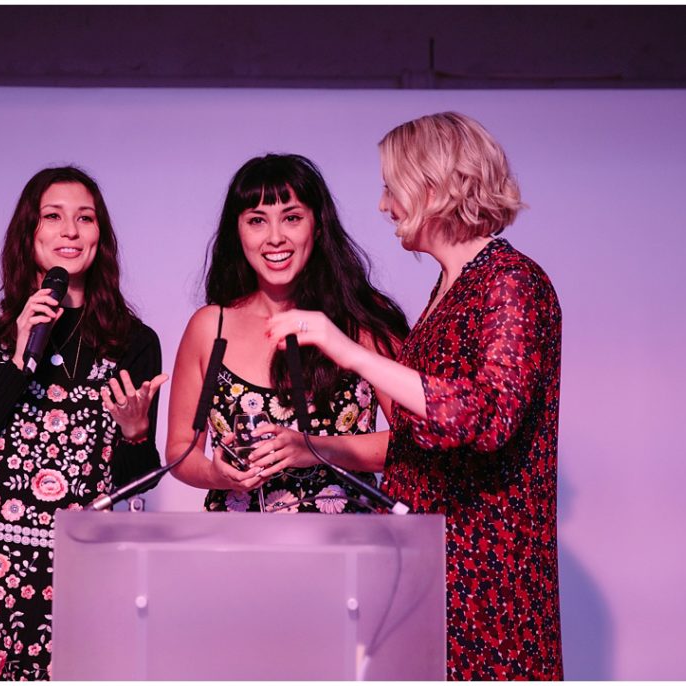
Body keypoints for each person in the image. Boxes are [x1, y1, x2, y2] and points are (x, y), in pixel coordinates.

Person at [265, 112, 563, 679]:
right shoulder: (451, 289)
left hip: (487, 578)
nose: (383, 205)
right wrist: (314, 447)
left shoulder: (510, 281)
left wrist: (349, 351)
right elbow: (418, 434)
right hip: (434, 560)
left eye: (391, 186)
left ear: (434, 186)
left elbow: (489, 415)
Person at [0, 167, 167, 680]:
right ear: (28, 232)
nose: (70, 232)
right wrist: (17, 360)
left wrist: (136, 434)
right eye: (53, 217)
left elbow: (136, 486)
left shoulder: (134, 342)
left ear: (101, 236)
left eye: (85, 218)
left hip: (82, 570)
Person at [166, 153, 409, 514]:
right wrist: (219, 475)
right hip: (235, 552)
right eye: (257, 221)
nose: (275, 237)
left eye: (292, 218)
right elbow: (180, 451)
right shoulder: (209, 326)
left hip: (346, 552)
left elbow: (413, 444)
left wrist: (314, 448)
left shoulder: (366, 319)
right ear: (238, 232)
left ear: (319, 226)